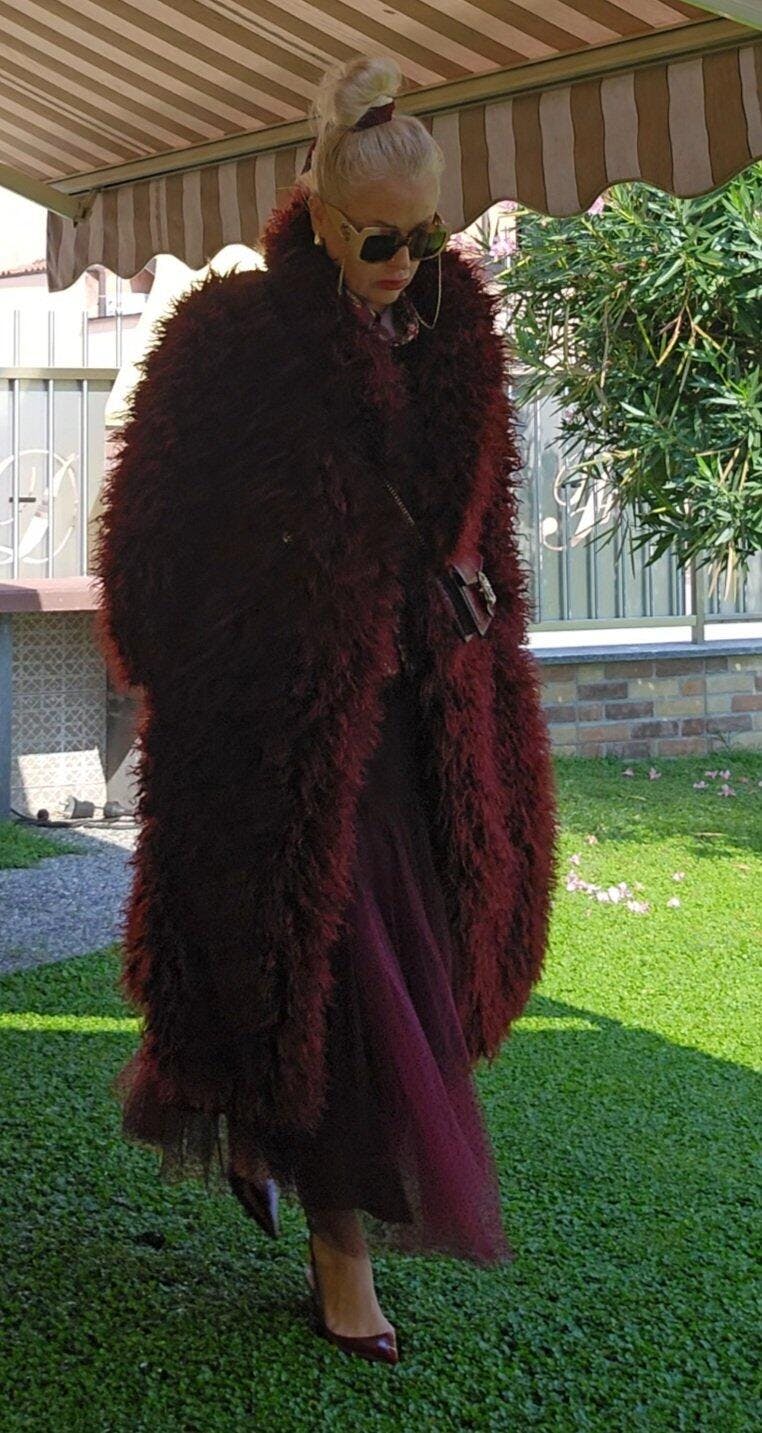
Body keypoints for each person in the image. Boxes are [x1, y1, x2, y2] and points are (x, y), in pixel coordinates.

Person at [93, 54, 557, 1366]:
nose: (405, 264)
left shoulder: (460, 344)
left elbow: (487, 539)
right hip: (275, 732)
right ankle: (340, 1260)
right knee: (325, 979)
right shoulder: (230, 343)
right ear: (318, 212)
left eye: (425, 237)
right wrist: (208, 674)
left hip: (426, 727)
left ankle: (269, 1141)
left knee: (400, 974)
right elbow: (146, 539)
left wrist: (481, 645)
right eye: (377, 239)